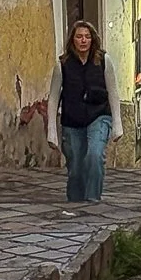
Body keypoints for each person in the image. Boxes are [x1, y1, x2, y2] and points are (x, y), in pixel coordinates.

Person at [47, 20, 123, 203]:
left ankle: (92, 199)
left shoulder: (103, 61)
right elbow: (53, 98)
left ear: (93, 39)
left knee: (95, 155)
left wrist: (117, 124)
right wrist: (52, 131)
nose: (83, 41)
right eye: (79, 36)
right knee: (76, 167)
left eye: (87, 37)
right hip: (72, 121)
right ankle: (75, 202)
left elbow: (113, 92)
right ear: (72, 40)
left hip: (99, 116)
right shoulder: (62, 65)